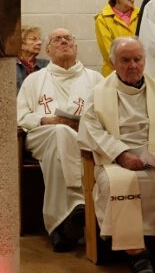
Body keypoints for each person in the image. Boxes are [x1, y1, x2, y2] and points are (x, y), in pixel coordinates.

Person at [78, 37, 155, 273]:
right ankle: (137, 253)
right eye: (125, 60)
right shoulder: (99, 94)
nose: (133, 65)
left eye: (138, 59)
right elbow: (91, 129)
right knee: (121, 184)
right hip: (116, 160)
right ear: (113, 63)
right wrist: (122, 154)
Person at [17, 29, 102, 251]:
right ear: (48, 50)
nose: (63, 41)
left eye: (69, 38)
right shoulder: (33, 80)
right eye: (57, 39)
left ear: (76, 47)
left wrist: (80, 124)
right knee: (60, 133)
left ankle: (60, 227)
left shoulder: (95, 79)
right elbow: (20, 116)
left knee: (60, 145)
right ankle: (78, 203)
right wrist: (48, 119)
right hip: (40, 135)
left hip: (84, 137)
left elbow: (107, 116)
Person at [95, 0, 140, 76]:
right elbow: (109, 53)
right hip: (114, 75)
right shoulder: (102, 19)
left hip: (139, 73)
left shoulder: (142, 14)